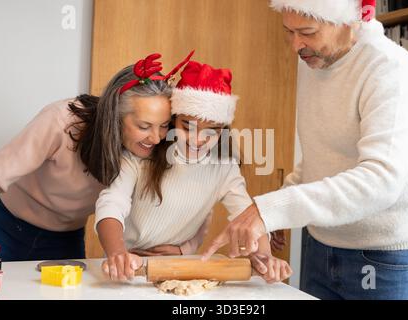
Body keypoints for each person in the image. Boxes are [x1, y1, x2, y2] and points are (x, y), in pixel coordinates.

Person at [203, 0, 408, 300]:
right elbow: (320, 157)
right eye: (288, 31)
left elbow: (381, 181)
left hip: (383, 256)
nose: (295, 45)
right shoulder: (315, 62)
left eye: (307, 32)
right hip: (321, 244)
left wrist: (271, 210)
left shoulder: (390, 68)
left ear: (346, 21)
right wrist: (280, 215)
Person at [95, 60, 292, 283]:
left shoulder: (224, 169)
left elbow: (246, 216)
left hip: (178, 269)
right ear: (172, 121)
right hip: (129, 267)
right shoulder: (140, 157)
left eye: (212, 131)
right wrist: (117, 252)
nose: (198, 140)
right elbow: (112, 203)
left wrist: (265, 256)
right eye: (187, 127)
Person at [0, 52, 192, 261]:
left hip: (65, 239)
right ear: (115, 116)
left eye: (163, 126)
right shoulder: (61, 121)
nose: (155, 138)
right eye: (144, 126)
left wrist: (185, 248)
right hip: (4, 225)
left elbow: (193, 194)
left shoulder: (152, 150)